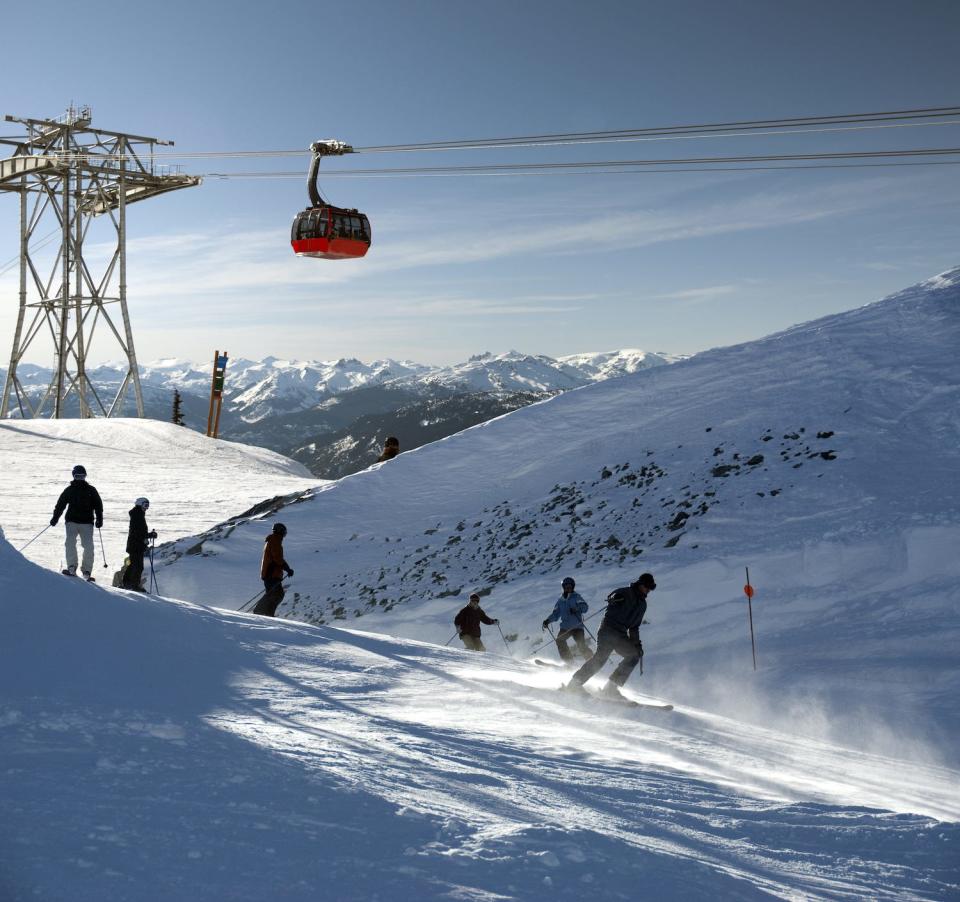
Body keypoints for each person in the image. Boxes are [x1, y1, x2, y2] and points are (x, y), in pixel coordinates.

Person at [566, 572, 657, 699]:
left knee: (634, 655)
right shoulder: (626, 592)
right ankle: (574, 684)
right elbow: (612, 596)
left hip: (620, 635)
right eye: (646, 586)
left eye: (650, 588)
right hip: (607, 630)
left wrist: (637, 645)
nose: (648, 590)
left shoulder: (642, 605)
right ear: (640, 584)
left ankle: (610, 688)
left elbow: (634, 627)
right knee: (600, 659)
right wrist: (614, 599)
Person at [50, 464, 103, 581]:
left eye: (82, 476)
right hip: (71, 521)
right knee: (70, 543)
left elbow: (98, 505)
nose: (80, 479)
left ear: (85, 477)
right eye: (78, 476)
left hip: (87, 522)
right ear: (74, 476)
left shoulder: (91, 490)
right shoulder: (69, 490)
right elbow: (60, 505)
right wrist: (55, 517)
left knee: (88, 546)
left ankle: (86, 570)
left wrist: (99, 519)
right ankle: (72, 566)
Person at [542, 576, 592, 663]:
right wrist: (548, 621)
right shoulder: (560, 601)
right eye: (566, 586)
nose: (568, 588)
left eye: (570, 586)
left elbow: (585, 608)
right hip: (565, 627)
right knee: (560, 641)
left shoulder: (576, 597)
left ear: (573, 587)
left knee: (581, 646)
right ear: (563, 587)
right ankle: (569, 662)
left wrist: (576, 608)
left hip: (577, 627)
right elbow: (555, 614)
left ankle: (592, 661)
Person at [253, 522, 294, 617]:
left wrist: (286, 568)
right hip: (272, 573)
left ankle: (266, 613)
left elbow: (277, 558)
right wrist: (287, 569)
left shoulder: (273, 540)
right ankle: (261, 611)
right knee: (277, 594)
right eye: (284, 532)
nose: (285, 534)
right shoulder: (275, 540)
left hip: (270, 573)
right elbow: (277, 558)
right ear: (280, 531)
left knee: (274, 593)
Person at [123, 497, 157, 591]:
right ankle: (133, 585)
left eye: (148, 506)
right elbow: (138, 532)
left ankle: (128, 583)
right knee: (137, 566)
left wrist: (147, 536)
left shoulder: (138, 515)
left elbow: (139, 532)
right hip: (135, 545)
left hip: (135, 544)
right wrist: (150, 535)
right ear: (140, 504)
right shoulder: (137, 516)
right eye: (145, 505)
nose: (147, 508)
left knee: (134, 564)